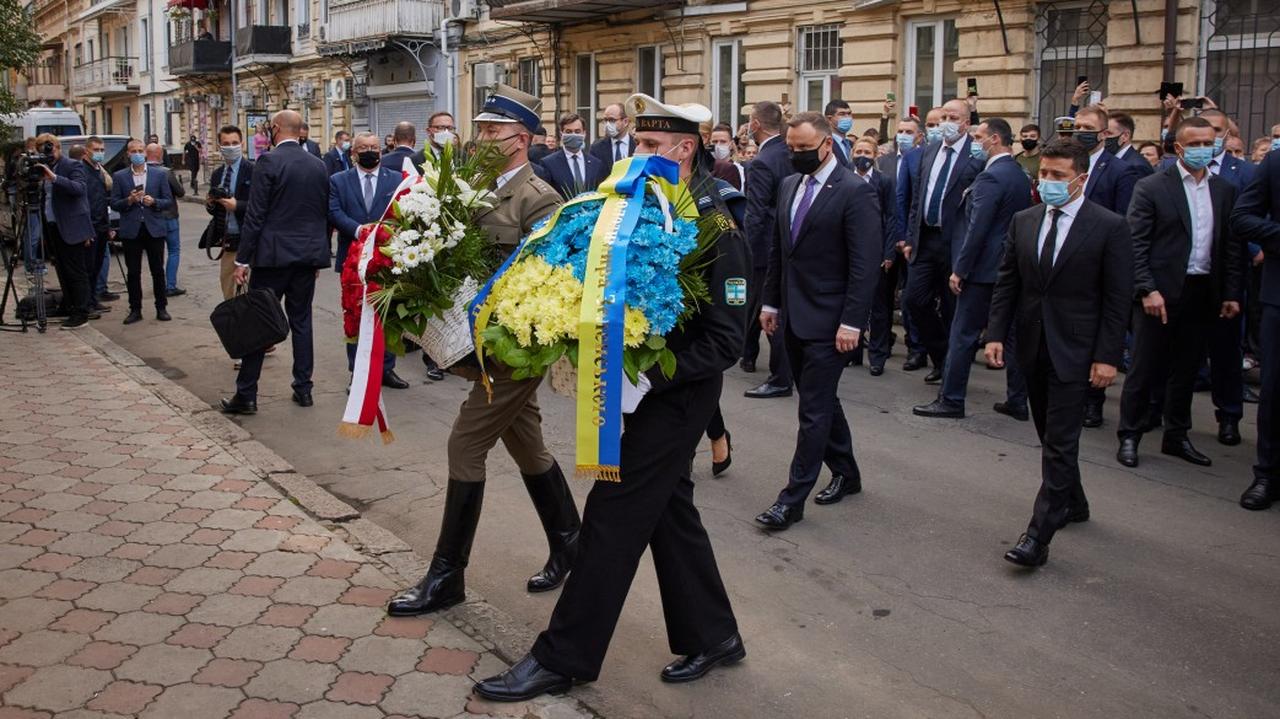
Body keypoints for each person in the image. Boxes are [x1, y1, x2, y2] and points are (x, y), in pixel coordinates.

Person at [473, 91, 751, 702]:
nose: (636, 155)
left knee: (612, 515)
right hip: (639, 388)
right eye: (636, 144)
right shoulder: (641, 204)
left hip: (676, 395)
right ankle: (714, 634)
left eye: (651, 147)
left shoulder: (715, 220)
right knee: (670, 511)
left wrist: (651, 374)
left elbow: (728, 339)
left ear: (685, 149)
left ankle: (564, 657)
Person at [386, 84, 580, 619]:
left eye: (492, 131)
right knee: (528, 447)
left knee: (464, 447)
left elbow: (544, 284)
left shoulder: (538, 197)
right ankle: (571, 546)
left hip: (514, 350)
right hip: (477, 343)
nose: (481, 138)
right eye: (482, 129)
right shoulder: (473, 186)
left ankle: (447, 576)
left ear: (520, 140)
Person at [985, 138, 1132, 568]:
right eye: (1043, 174)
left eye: (1057, 176)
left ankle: (1038, 535)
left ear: (1081, 179)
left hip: (1078, 350)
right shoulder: (1024, 220)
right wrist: (996, 334)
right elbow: (1008, 282)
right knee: (1049, 432)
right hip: (1033, 345)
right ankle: (1075, 501)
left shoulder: (1108, 226)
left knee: (1061, 441)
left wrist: (1107, 357)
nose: (1047, 182)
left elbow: (1117, 299)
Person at [753, 112, 882, 530]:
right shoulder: (790, 184)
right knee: (820, 399)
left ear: (828, 145)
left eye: (804, 149)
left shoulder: (854, 192)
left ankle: (791, 500)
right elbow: (779, 250)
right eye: (791, 148)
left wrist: (853, 322)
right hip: (791, 314)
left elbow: (864, 267)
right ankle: (848, 471)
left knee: (812, 408)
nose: (795, 156)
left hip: (831, 321)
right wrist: (770, 304)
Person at [1116, 116, 1243, 469]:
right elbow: (1135, 243)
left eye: (1209, 141)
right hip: (1157, 294)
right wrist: (1147, 289)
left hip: (1202, 291)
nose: (1204, 148)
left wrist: (1231, 293)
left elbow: (1230, 248)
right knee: (1143, 367)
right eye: (1196, 143)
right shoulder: (1153, 187)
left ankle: (1176, 435)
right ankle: (1130, 435)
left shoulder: (1225, 190)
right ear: (1178, 147)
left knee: (1186, 368)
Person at [915, 119, 1032, 419]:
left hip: (982, 269)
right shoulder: (1017, 174)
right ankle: (1018, 400)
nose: (975, 143)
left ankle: (951, 399)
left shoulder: (991, 177)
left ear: (995, 139)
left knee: (963, 333)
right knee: (1013, 334)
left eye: (979, 137)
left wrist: (960, 269)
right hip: (1008, 267)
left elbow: (977, 227)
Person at [219, 110, 330, 415]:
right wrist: (317, 257)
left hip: (272, 258)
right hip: (307, 257)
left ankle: (247, 394)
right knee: (302, 322)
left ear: (277, 129)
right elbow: (321, 213)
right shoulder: (318, 165)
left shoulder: (268, 161)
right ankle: (303, 388)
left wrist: (242, 259)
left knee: (260, 323)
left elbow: (256, 215)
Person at [1071, 104, 1142, 428]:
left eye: (1087, 126)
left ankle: (1093, 401)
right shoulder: (1070, 163)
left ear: (1103, 133)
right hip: (1067, 256)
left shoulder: (1119, 170)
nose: (1080, 131)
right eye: (1077, 125)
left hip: (1099, 258)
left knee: (1096, 330)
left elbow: (1125, 221)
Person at [902, 98, 981, 384]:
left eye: (953, 117)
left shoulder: (976, 155)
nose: (947, 123)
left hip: (955, 243)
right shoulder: (930, 150)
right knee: (914, 300)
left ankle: (952, 371)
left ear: (966, 123)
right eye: (943, 116)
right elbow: (917, 197)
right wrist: (911, 235)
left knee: (951, 308)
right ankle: (942, 356)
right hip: (925, 239)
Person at [328, 131, 409, 390]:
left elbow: (404, 211)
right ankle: (358, 371)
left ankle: (387, 369)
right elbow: (334, 211)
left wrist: (383, 233)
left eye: (374, 147)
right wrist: (360, 230)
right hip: (352, 259)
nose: (370, 151)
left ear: (382, 150)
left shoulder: (396, 180)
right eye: (363, 147)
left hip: (387, 259)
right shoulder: (339, 180)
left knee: (388, 315)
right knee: (355, 315)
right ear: (354, 152)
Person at [1230, 146, 1280, 510]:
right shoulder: (1275, 164)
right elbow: (1243, 217)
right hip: (1279, 299)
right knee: (1275, 391)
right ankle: (1267, 475)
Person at [741, 101, 795, 396]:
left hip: (766, 249)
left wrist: (748, 252)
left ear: (756, 124)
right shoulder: (790, 150)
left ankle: (781, 377)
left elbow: (756, 212)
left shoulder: (763, 161)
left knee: (769, 310)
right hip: (791, 242)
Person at [109, 139, 174, 325]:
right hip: (132, 229)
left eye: (140, 150)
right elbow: (114, 203)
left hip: (153, 227)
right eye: (133, 151)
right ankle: (135, 309)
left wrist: (154, 202)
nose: (137, 154)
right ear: (128, 154)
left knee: (157, 270)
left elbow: (168, 200)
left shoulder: (158, 174)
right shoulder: (120, 176)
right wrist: (129, 200)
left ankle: (161, 307)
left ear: (145, 153)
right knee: (133, 272)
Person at [854, 136, 903, 375]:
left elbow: (891, 217)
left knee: (879, 308)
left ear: (875, 156)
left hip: (876, 251)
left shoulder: (883, 181)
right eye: (858, 151)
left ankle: (877, 356)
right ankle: (852, 353)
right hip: (851, 251)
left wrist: (888, 253)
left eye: (867, 152)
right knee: (853, 304)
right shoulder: (844, 178)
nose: (862, 156)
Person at [37, 134, 96, 329]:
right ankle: (70, 306)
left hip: (72, 227)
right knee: (62, 270)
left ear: (58, 147)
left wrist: (53, 177)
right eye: (43, 148)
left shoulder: (71, 165)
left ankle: (81, 312)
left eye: (50, 147)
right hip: (53, 227)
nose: (48, 152)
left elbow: (79, 189)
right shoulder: (40, 168)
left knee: (76, 272)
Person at [207, 125, 254, 302]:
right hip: (228, 241)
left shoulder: (253, 170)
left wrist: (237, 206)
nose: (231, 147)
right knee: (229, 293)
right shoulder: (217, 174)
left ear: (242, 144)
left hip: (249, 241)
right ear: (220, 146)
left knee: (249, 295)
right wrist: (211, 204)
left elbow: (261, 207)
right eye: (226, 143)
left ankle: (251, 329)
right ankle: (235, 329)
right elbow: (214, 210)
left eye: (234, 143)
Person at [145, 143, 187, 297]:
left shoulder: (140, 172)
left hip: (151, 219)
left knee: (156, 253)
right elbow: (180, 192)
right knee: (174, 250)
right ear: (160, 155)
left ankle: (159, 284)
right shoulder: (166, 172)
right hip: (169, 217)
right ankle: (170, 285)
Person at [81, 136, 113, 314]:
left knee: (97, 266)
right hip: (90, 227)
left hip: (101, 225)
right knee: (89, 267)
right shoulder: (83, 171)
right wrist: (86, 231)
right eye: (96, 150)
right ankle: (86, 303)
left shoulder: (99, 170)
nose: (100, 153)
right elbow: (84, 204)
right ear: (87, 151)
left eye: (102, 150)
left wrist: (108, 227)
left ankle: (93, 299)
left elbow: (103, 200)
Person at [540, 113, 605, 199]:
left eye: (577, 131)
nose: (573, 135)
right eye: (568, 132)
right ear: (561, 134)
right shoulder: (548, 163)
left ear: (584, 133)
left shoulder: (595, 163)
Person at [1106, 112, 1154, 177]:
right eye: (1103, 133)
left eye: (1109, 133)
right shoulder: (1107, 160)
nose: (1104, 137)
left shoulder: (1137, 167)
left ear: (1125, 136)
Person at [589, 102, 635, 169]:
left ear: (625, 122)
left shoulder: (637, 145)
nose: (607, 124)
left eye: (612, 120)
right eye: (605, 120)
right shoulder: (597, 147)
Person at [709, 123, 745, 190]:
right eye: (714, 142)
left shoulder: (741, 171)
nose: (718, 145)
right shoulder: (704, 168)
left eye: (723, 141)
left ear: (731, 144)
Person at [824, 99, 855, 166]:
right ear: (829, 119)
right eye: (842, 114)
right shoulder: (824, 144)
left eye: (849, 114)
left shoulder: (853, 145)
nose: (847, 117)